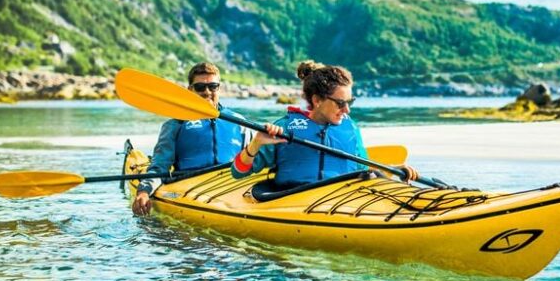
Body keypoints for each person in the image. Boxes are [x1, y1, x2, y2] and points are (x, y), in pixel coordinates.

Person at [231, 60, 419, 188]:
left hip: (342, 201)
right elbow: (238, 172)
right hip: (294, 201)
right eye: (340, 103)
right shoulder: (286, 128)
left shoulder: (350, 128)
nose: (347, 110)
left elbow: (364, 171)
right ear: (318, 99)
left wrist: (393, 170)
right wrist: (256, 143)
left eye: (350, 102)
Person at [132, 62, 247, 214]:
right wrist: (144, 191)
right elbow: (159, 168)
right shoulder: (176, 124)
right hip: (190, 186)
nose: (207, 92)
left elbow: (253, 161)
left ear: (219, 88)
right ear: (190, 90)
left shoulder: (240, 123)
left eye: (213, 86)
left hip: (233, 188)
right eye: (200, 87)